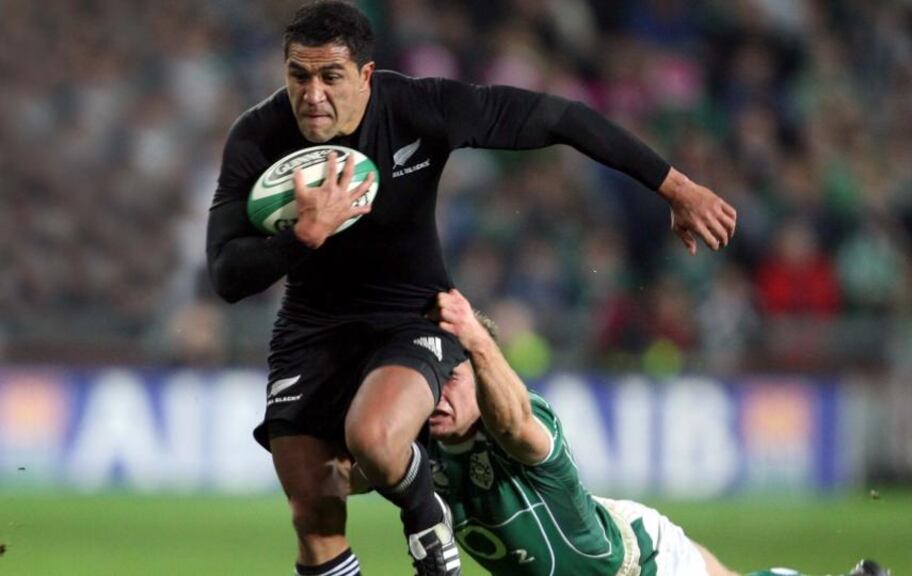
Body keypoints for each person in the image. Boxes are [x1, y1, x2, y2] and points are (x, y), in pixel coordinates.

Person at [205, 2, 736, 575]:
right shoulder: (258, 137)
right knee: (313, 511)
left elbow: (559, 117)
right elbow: (226, 274)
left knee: (375, 441)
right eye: (298, 76)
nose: (312, 95)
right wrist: (302, 238)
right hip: (309, 329)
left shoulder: (417, 107)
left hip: (412, 316)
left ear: (364, 74)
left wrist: (676, 188)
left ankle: (425, 517)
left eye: (330, 76)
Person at [429, 288, 888, 576]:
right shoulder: (424, 441)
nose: (437, 395)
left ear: (483, 370)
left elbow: (514, 425)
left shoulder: (526, 418)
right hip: (608, 528)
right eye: (432, 380)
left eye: (452, 377)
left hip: (637, 564)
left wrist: (476, 337)